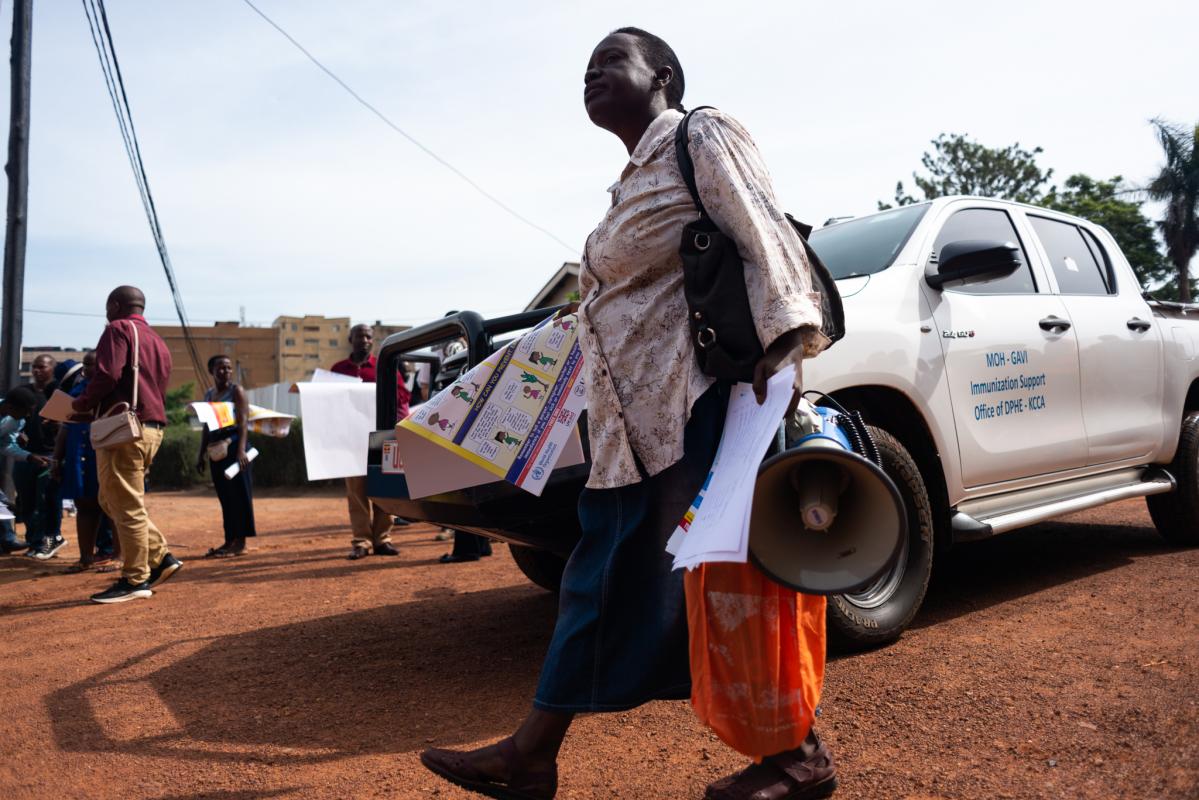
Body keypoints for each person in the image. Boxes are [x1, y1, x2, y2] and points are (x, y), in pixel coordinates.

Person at [420, 28, 835, 800]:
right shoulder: (627, 185)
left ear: (663, 77)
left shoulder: (701, 135)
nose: (592, 74)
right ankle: (534, 755)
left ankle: (796, 759)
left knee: (716, 581)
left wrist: (777, 375)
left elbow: (767, 241)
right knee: (619, 581)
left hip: (699, 410)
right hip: (631, 431)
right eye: (585, 67)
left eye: (611, 61)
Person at [72, 286, 183, 604]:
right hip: (151, 429)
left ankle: (135, 579)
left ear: (115, 305)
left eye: (107, 307)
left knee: (125, 504)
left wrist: (81, 403)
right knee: (112, 500)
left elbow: (107, 375)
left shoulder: (118, 328)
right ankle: (161, 557)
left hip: (124, 430)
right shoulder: (157, 341)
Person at [330, 323, 401, 559]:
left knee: (385, 490)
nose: (364, 340)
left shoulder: (385, 365)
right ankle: (362, 542)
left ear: (373, 340)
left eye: (368, 336)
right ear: (350, 339)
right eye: (359, 336)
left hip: (382, 437)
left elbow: (401, 397)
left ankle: (383, 540)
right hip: (351, 439)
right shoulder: (337, 370)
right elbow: (328, 404)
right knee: (356, 493)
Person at [53, 354, 119, 571]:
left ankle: (120, 556)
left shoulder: (114, 389)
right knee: (84, 505)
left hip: (103, 452)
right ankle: (85, 558)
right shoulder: (76, 389)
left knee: (112, 506)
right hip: (78, 453)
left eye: (95, 363)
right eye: (88, 363)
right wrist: (57, 458)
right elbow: (64, 426)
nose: (89, 368)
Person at [196, 355, 256, 557]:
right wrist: (201, 454)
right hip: (216, 450)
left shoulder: (236, 391)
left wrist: (241, 450)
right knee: (226, 497)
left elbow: (243, 421)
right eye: (221, 368)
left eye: (229, 368)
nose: (226, 372)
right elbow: (206, 426)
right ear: (211, 371)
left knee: (240, 495)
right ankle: (229, 540)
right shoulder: (209, 395)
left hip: (235, 447)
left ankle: (241, 543)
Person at [16, 353, 67, 559]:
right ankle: (34, 543)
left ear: (52, 369)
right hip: (25, 456)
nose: (37, 370)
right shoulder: (23, 392)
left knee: (46, 500)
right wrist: (17, 433)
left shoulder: (59, 393)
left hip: (49, 454)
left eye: (42, 367)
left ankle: (50, 540)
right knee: (26, 501)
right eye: (35, 367)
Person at [0, 387, 51, 553]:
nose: (29, 416)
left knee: (2, 502)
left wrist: (29, 456)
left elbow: (7, 445)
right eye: (26, 411)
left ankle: (7, 539)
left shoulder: (17, 421)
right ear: (10, 407)